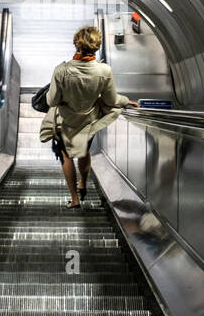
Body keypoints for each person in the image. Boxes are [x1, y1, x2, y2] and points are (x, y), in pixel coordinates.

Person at [39, 25, 139, 208]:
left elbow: (52, 101)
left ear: (76, 43)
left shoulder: (61, 70)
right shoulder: (104, 71)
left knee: (66, 156)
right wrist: (125, 101)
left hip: (65, 121)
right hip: (89, 121)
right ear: (97, 45)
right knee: (84, 151)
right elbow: (110, 99)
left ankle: (75, 199)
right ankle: (83, 182)